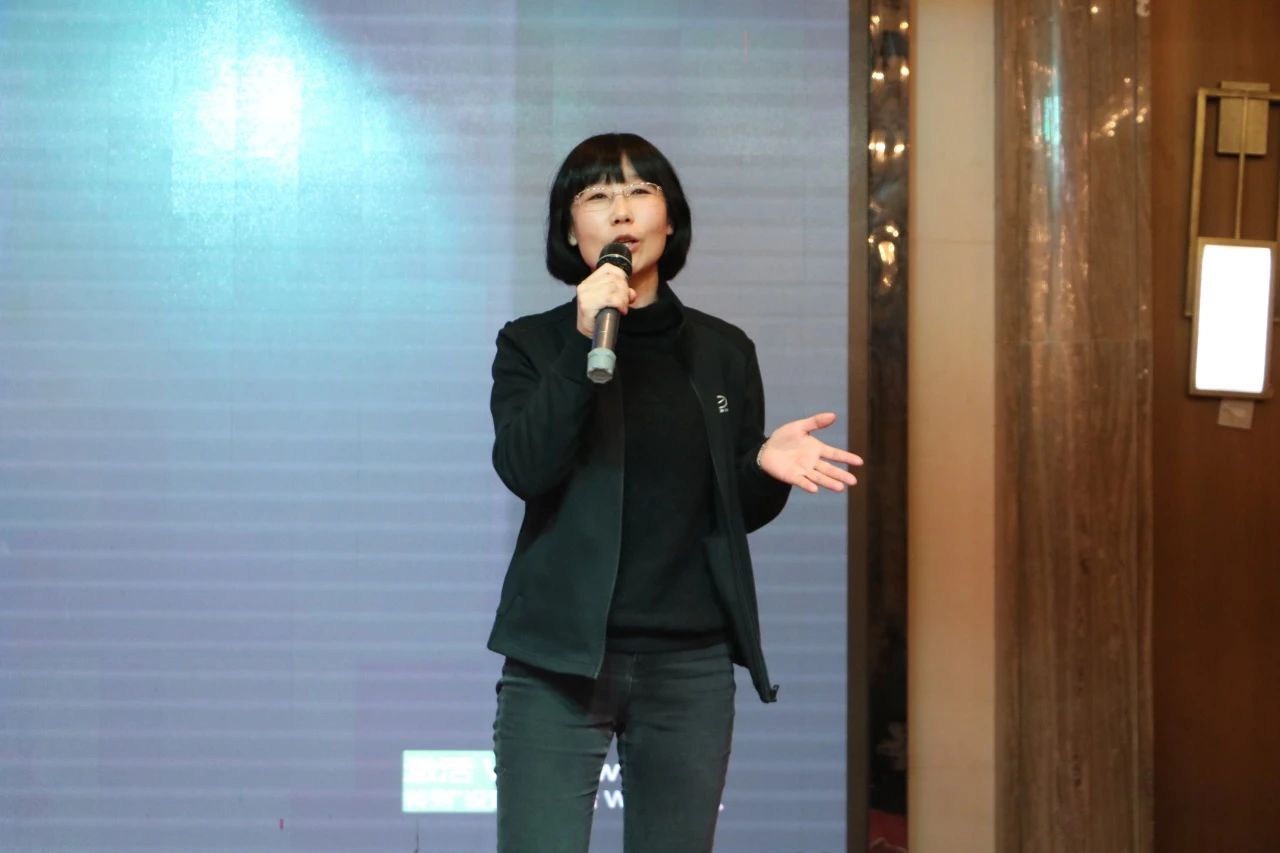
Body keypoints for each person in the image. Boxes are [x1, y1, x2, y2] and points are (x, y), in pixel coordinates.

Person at [487, 132, 862, 853]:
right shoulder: (531, 344)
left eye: (641, 191)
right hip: (558, 663)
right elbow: (526, 467)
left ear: (670, 219)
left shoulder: (723, 351)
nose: (621, 210)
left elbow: (733, 512)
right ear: (570, 230)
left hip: (688, 667)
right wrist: (581, 340)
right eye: (597, 196)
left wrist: (763, 468)